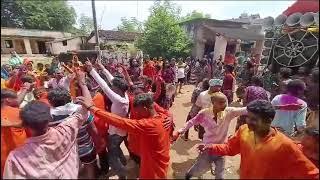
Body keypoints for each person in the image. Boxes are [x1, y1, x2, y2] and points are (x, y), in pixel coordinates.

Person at [200, 100, 319, 179]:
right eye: (248, 117)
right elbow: (230, 148)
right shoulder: (244, 130)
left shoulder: (285, 145)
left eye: (254, 119)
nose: (249, 122)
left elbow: (311, 173)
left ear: (269, 121)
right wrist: (211, 147)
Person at [3, 85, 91, 178]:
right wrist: (83, 84)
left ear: (24, 125)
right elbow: (84, 111)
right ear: (50, 118)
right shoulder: (65, 131)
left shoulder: (16, 159)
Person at [76, 93, 170, 179]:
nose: (137, 114)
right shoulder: (164, 118)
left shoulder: (149, 125)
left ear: (146, 108)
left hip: (153, 171)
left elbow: (120, 122)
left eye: (139, 111)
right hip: (160, 164)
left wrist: (93, 108)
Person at [172, 92, 247, 179]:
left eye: (225, 102)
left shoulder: (229, 112)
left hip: (221, 148)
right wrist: (179, 131)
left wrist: (260, 105)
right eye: (221, 102)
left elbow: (245, 110)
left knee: (220, 174)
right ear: (213, 102)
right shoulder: (204, 114)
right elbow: (191, 122)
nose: (224, 105)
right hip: (206, 148)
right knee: (198, 167)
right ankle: (188, 175)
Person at [86, 60, 129, 179]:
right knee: (116, 149)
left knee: (112, 157)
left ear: (118, 89)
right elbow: (112, 81)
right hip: (121, 132)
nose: (112, 87)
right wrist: (102, 68)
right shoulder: (124, 95)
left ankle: (122, 174)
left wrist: (92, 70)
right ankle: (124, 163)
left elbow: (105, 87)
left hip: (115, 134)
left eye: (113, 87)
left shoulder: (118, 100)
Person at [47, 86, 98, 179]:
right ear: (69, 98)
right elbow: (93, 128)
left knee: (71, 171)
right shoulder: (80, 109)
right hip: (85, 146)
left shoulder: (47, 116)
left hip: (64, 150)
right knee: (89, 167)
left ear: (50, 101)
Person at [1, 89, 28, 177]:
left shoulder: (18, 111)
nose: (18, 100)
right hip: (18, 154)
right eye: (15, 98)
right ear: (8, 100)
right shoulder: (18, 112)